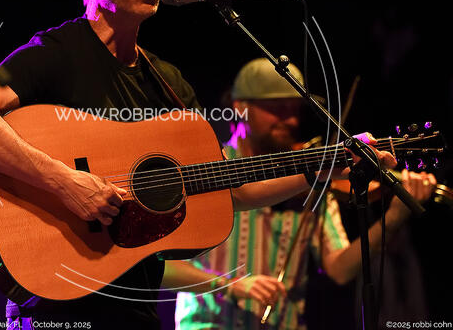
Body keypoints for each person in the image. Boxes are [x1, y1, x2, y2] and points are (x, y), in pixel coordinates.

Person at [0, 0, 397, 330]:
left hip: (135, 311)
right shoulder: (59, 53)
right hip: (55, 308)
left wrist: (321, 168)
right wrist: (65, 182)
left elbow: (229, 188)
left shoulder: (170, 83)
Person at [164, 58, 436, 330]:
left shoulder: (310, 179)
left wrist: (394, 218)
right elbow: (160, 268)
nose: (291, 120)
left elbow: (340, 269)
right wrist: (228, 285)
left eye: (294, 110)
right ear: (241, 107)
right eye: (277, 109)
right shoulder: (205, 172)